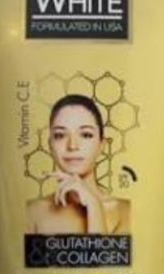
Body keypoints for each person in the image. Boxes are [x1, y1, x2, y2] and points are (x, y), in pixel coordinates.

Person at [26, 94, 130, 234]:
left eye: (86, 135)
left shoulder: (124, 211)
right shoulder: (32, 212)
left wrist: (94, 206)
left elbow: (99, 250)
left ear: (101, 145)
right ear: (50, 145)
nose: (72, 146)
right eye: (60, 135)